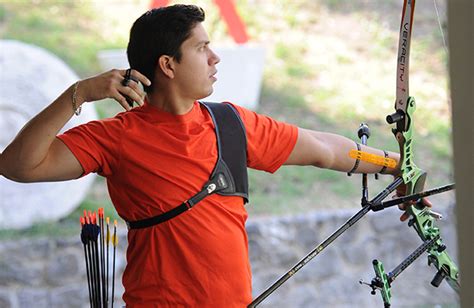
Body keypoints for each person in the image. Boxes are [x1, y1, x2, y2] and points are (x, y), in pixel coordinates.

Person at [0, 4, 426, 307]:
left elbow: (323, 150)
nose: (215, 56)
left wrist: (397, 166)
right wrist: (78, 93)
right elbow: (17, 165)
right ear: (168, 65)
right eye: (202, 47)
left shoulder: (230, 124)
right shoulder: (117, 138)